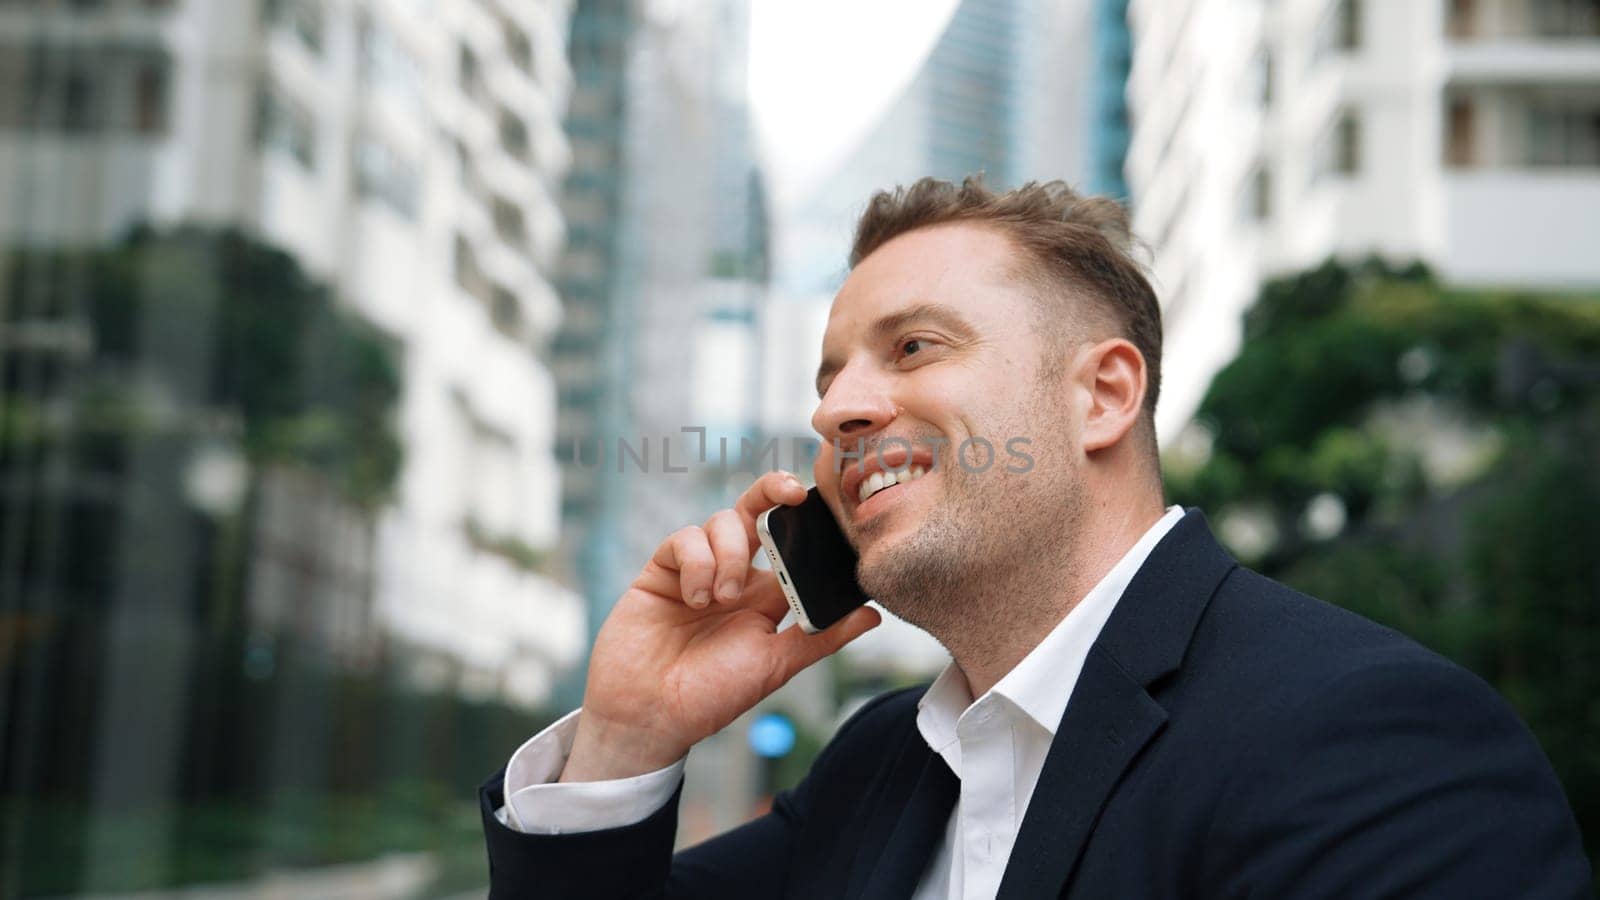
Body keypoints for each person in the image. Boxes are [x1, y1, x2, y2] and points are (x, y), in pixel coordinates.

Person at [479, 177, 1592, 899]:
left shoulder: (1367, 738)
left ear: (1101, 396)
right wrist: (628, 739)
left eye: (911, 349)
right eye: (829, 381)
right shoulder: (879, 765)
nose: (836, 410)